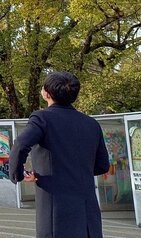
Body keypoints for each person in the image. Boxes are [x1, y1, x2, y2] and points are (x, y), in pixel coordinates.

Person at [9, 72, 110, 238]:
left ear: (46, 93)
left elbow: (21, 144)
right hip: (88, 210)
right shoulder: (91, 123)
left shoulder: (42, 118)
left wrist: (18, 174)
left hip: (56, 207)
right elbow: (102, 165)